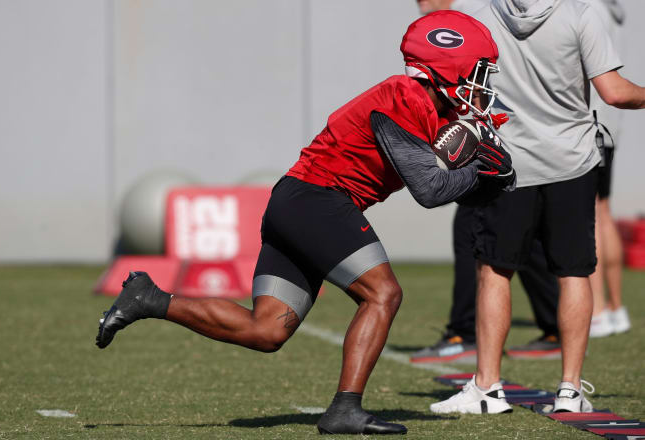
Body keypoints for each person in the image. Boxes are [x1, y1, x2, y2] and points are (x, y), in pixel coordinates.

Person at [95, 11, 514, 435]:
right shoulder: (402, 97)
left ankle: (148, 298)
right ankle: (345, 409)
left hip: (298, 202)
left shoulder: (433, 109)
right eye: (479, 75)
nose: (483, 88)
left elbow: (450, 182)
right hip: (317, 200)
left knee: (266, 330)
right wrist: (482, 171)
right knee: (383, 294)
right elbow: (429, 189)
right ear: (448, 68)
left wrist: (496, 181)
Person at [431, 0, 645, 415]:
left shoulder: (480, 13)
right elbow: (615, 93)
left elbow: (451, 80)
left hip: (507, 162)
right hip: (573, 162)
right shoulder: (581, 13)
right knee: (573, 272)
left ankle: (488, 387)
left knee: (494, 271)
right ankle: (568, 390)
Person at [411, 0, 561, 365]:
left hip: (503, 143)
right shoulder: (496, 16)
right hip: (531, 143)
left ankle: (464, 333)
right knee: (519, 239)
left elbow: (476, 88)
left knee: (477, 238)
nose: (421, 6)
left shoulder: (474, 19)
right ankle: (557, 323)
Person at [587, 0, 631, 338]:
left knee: (590, 216)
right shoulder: (608, 6)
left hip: (591, 121)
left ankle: (599, 309)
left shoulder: (587, 7)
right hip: (608, 126)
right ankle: (615, 308)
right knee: (603, 211)